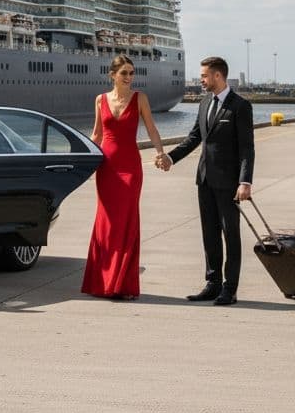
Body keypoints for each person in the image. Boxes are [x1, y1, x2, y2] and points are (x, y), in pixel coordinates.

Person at [159, 56, 254, 305]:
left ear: (217, 76)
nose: (201, 80)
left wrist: (245, 181)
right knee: (209, 234)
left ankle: (230, 288)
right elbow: (194, 138)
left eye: (204, 76)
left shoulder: (240, 106)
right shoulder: (204, 103)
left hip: (229, 183)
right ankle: (212, 284)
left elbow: (247, 148)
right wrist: (171, 157)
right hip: (204, 180)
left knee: (230, 235)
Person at [82, 54, 166, 300]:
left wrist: (160, 153)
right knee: (106, 222)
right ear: (113, 75)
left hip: (130, 167)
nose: (129, 77)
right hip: (106, 167)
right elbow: (97, 134)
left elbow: (151, 128)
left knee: (126, 221)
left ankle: (123, 284)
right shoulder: (100, 99)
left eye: (131, 72)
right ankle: (102, 282)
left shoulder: (140, 98)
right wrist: (82, 158)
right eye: (124, 73)